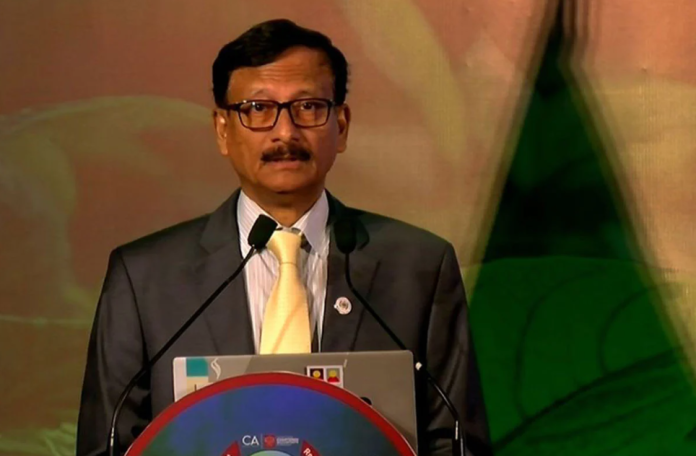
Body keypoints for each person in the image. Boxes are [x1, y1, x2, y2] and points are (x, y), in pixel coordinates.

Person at [76, 19, 491, 456]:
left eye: (308, 107)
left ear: (341, 125)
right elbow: (109, 444)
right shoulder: (144, 278)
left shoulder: (419, 267)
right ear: (222, 129)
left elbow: (457, 443)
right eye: (257, 108)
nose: (285, 132)